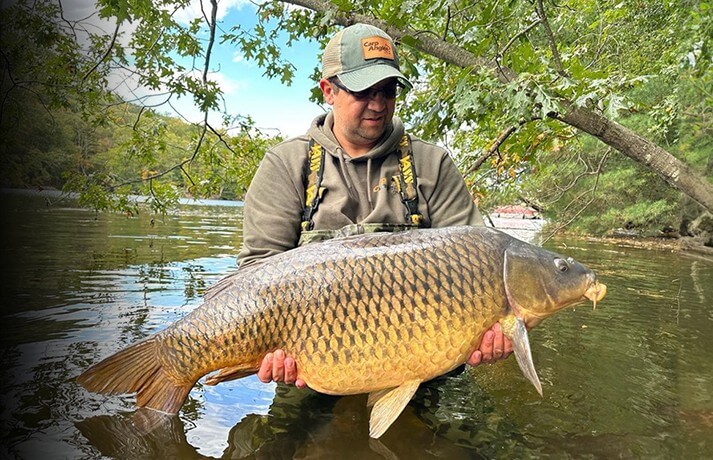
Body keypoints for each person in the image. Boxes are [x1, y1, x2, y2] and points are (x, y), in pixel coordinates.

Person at [237, 23, 512, 388]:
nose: (378, 104)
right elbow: (255, 274)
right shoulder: (287, 164)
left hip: (421, 366)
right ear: (328, 91)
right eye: (364, 91)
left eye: (388, 91)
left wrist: (494, 327)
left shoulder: (432, 164)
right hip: (313, 367)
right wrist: (270, 355)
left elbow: (479, 262)